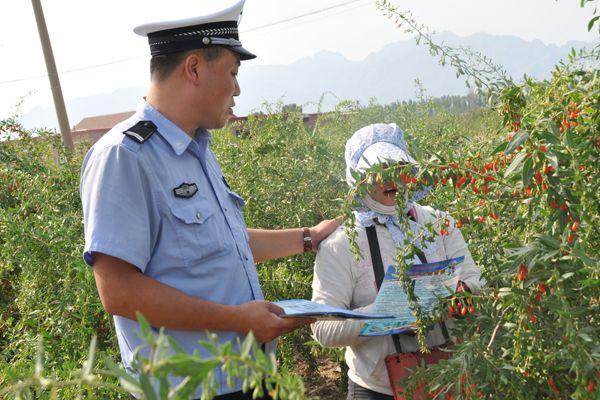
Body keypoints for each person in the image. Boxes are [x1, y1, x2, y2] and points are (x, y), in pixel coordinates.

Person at [79, 1, 338, 398]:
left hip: (247, 378)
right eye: (233, 73)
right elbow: (119, 292)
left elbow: (223, 241)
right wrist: (238, 321)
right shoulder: (125, 157)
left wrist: (308, 237)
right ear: (195, 68)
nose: (237, 89)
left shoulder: (197, 150)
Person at [311, 123, 484, 399]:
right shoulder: (342, 245)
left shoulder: (439, 223)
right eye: (377, 172)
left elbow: (477, 283)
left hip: (450, 378)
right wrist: (387, 314)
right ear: (359, 180)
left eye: (396, 168)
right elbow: (323, 328)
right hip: (377, 389)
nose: (389, 179)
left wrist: (454, 295)